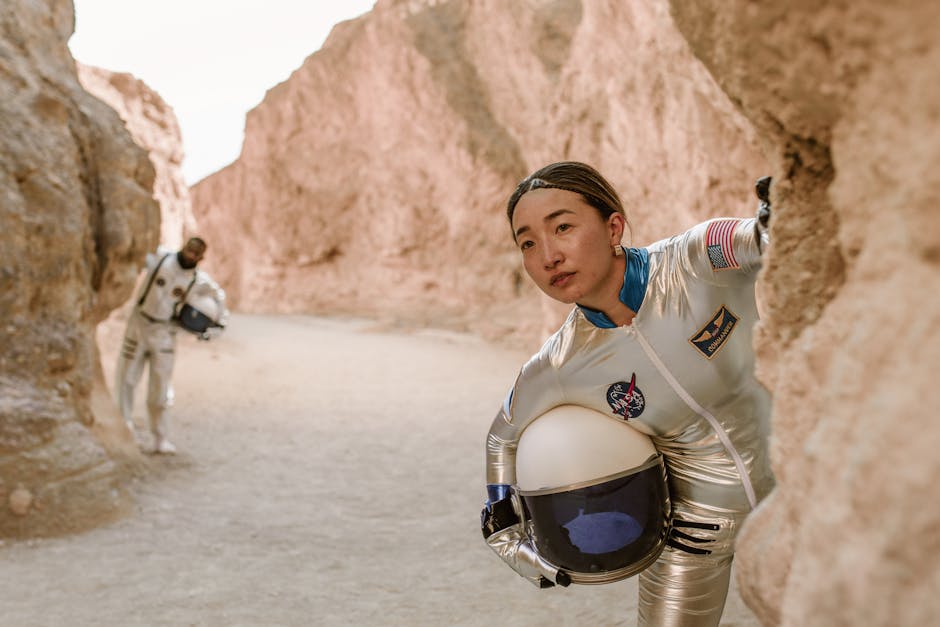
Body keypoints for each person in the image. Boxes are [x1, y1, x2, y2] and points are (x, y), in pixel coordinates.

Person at [480, 162, 774, 626]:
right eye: (528, 243)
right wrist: (512, 544)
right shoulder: (558, 365)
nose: (548, 256)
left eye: (562, 227)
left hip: (805, 486)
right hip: (697, 527)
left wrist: (777, 215)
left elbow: (758, 239)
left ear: (613, 226)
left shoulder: (694, 259)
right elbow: (502, 439)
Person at [115, 236, 228, 454]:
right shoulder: (160, 258)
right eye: (189, 250)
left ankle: (160, 437)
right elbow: (134, 256)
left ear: (201, 257)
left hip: (165, 332)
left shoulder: (197, 280)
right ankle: (124, 428)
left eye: (196, 254)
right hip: (139, 324)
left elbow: (219, 297)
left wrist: (217, 325)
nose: (190, 255)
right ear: (184, 247)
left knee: (161, 387)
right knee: (126, 379)